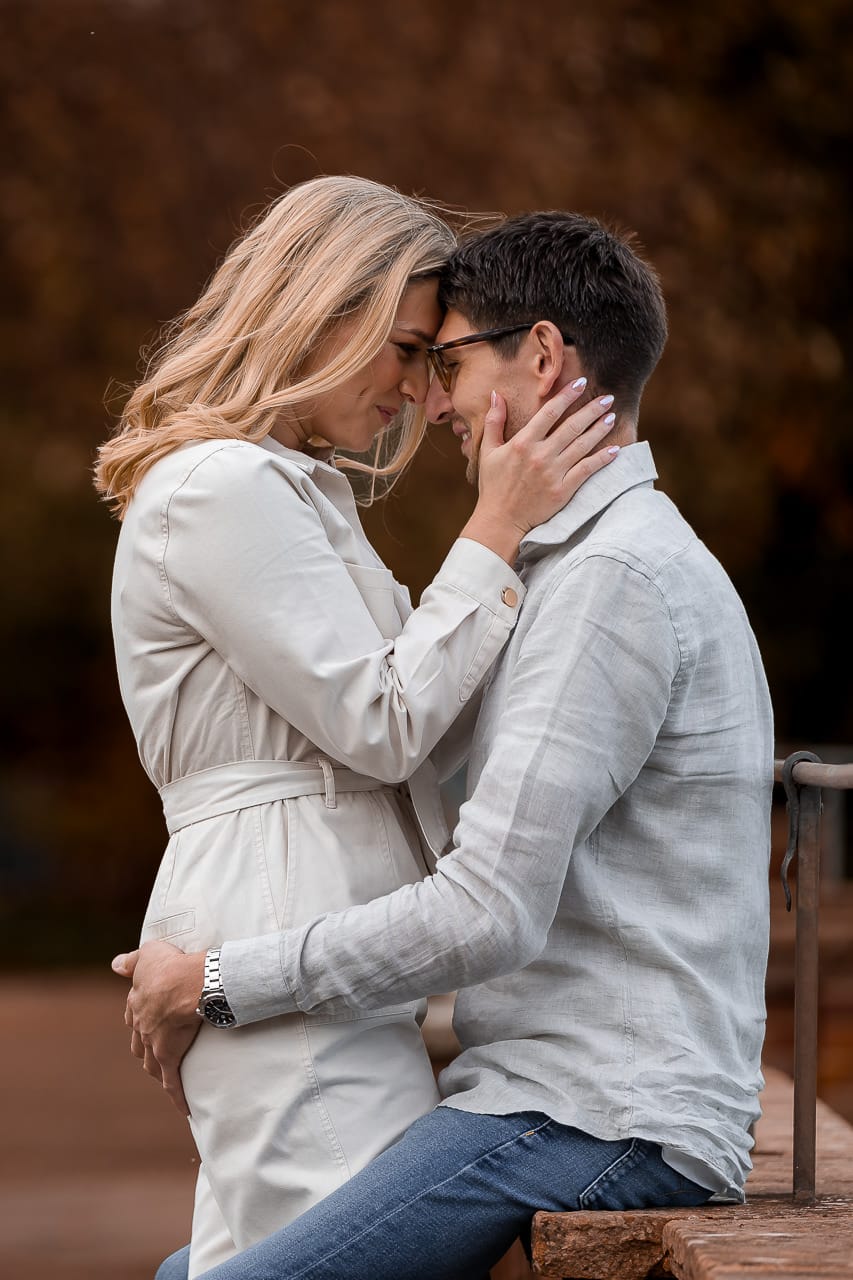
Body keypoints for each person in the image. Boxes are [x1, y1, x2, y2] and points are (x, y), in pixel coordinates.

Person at [116, 209, 774, 1280]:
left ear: (545, 356)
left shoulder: (611, 578)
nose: (429, 401)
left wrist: (221, 976)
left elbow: (485, 903)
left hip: (595, 1110)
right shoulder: (569, 567)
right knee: (195, 1267)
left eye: (449, 359)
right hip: (549, 1096)